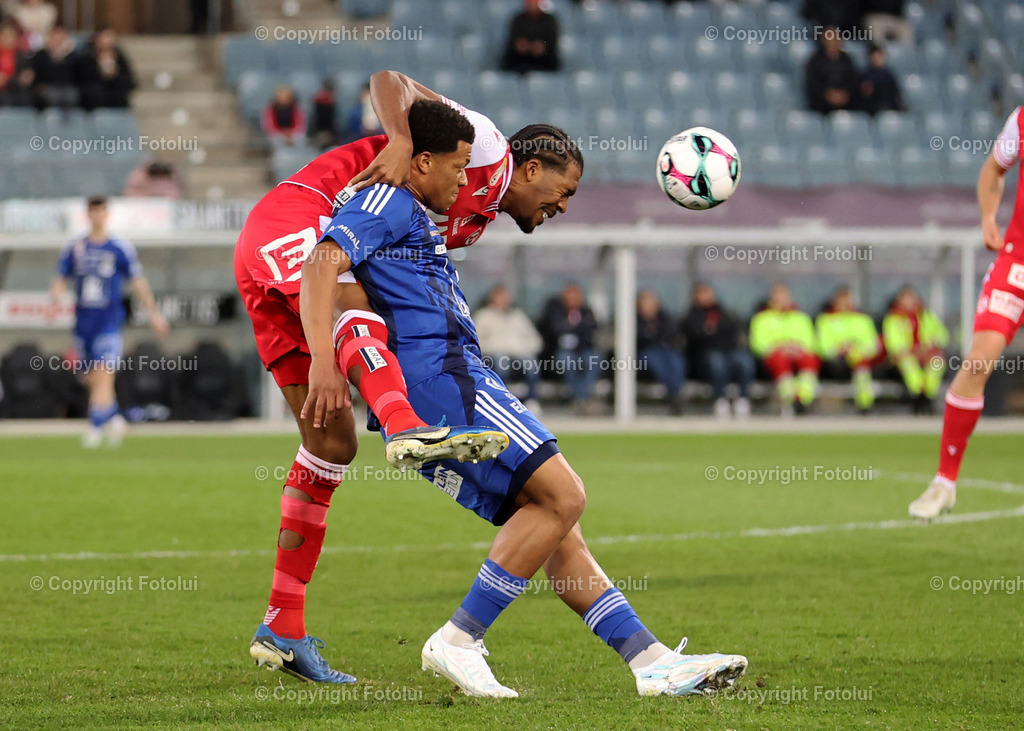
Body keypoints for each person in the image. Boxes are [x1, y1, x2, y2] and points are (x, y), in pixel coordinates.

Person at [302, 99, 747, 698]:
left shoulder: (421, 213)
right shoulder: (388, 199)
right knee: (566, 496)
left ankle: (651, 663)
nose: (465, 178)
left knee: (553, 525)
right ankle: (459, 639)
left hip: (448, 377)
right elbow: (322, 262)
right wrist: (325, 363)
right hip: (442, 378)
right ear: (422, 159)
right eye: (457, 166)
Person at [237, 68, 585, 683]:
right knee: (354, 306)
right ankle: (403, 426)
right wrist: (399, 138)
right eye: (565, 190)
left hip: (291, 260)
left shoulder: (470, 219)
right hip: (300, 218)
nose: (563, 205)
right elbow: (389, 79)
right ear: (532, 168)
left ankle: (281, 627)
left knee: (331, 442)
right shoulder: (485, 145)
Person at [909, 108, 1024, 519]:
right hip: (1017, 263)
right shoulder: (1022, 120)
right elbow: (994, 169)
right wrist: (988, 216)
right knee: (976, 363)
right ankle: (944, 482)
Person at [49, 196, 169, 448]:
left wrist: (154, 314)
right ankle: (114, 418)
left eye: (101, 211)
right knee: (91, 378)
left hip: (109, 322)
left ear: (107, 215)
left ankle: (95, 426)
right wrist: (55, 299)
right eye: (93, 212)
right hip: (84, 324)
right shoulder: (76, 247)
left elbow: (138, 281)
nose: (98, 216)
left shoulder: (118, 247)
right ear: (88, 215)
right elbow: (61, 277)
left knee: (104, 374)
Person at [681, 282, 754, 419]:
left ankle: (743, 399)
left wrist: (710, 332)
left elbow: (731, 332)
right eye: (702, 293)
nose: (706, 296)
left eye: (708, 292)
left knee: (744, 360)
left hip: (728, 353)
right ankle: (720, 399)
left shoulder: (723, 313)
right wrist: (710, 333)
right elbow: (698, 337)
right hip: (703, 357)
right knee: (716, 362)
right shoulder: (691, 316)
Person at [750, 284, 820, 415]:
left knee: (810, 361)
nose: (781, 299)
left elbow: (810, 343)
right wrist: (780, 347)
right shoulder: (761, 319)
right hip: (775, 356)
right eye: (777, 296)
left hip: (798, 353)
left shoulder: (801, 318)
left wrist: (795, 348)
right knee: (779, 361)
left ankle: (804, 399)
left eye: (784, 296)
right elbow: (758, 345)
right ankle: (791, 399)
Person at [475, 284, 544, 412]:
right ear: (492, 298)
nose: (504, 300)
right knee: (502, 363)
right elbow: (477, 342)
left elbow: (536, 340)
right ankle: (504, 400)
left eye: (506, 297)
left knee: (531, 363)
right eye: (500, 297)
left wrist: (523, 348)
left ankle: (532, 400)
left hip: (519, 354)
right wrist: (495, 348)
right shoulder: (483, 316)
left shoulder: (518, 316)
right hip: (494, 355)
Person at [882, 285, 947, 415]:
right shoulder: (893, 319)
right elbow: (894, 346)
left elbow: (942, 336)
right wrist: (913, 351)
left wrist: (930, 345)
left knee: (937, 364)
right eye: (906, 298)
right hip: (905, 357)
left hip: (926, 355)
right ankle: (918, 397)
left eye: (912, 297)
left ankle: (928, 396)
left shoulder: (927, 316)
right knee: (909, 366)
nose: (910, 301)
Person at [816, 286, 880, 412]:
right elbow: (822, 347)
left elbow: (873, 346)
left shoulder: (863, 320)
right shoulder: (825, 320)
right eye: (841, 300)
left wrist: (854, 348)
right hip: (835, 364)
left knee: (860, 363)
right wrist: (839, 349)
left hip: (859, 360)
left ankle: (865, 404)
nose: (845, 303)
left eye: (848, 299)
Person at [539, 283, 601, 414]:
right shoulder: (555, 311)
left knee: (594, 359)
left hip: (584, 349)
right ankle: (579, 398)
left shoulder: (586, 312)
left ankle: (581, 398)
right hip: (560, 351)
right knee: (566, 360)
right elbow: (555, 331)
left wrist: (574, 331)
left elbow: (591, 331)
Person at [636, 290, 685, 415]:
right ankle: (672, 394)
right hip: (644, 353)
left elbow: (672, 335)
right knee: (654, 360)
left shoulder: (664, 319)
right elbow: (641, 339)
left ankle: (675, 392)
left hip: (665, 351)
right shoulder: (634, 321)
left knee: (675, 361)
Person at [804, 26, 860, 115]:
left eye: (835, 39)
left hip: (846, 103)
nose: (833, 42)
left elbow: (853, 80)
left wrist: (844, 94)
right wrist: (828, 94)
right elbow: (813, 83)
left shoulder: (846, 60)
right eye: (830, 39)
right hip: (822, 105)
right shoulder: (815, 61)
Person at [78, 28, 135, 110]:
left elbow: (129, 82)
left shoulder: (120, 60)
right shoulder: (87, 58)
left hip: (116, 102)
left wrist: (114, 75)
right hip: (93, 102)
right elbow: (83, 80)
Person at [501, 0, 560, 74]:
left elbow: (551, 40)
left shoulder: (549, 20)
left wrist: (542, 46)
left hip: (543, 60)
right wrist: (522, 45)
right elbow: (514, 39)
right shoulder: (518, 19)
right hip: (520, 59)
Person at [30, 25, 80, 110]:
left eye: (60, 39)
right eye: (54, 38)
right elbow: (37, 73)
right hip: (48, 87)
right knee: (52, 95)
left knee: (71, 95)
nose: (57, 41)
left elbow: (77, 74)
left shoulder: (73, 56)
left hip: (68, 87)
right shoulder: (41, 55)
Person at [859, 43, 903, 115]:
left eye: (879, 56)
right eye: (875, 56)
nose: (877, 59)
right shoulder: (866, 76)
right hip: (874, 110)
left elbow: (895, 96)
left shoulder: (889, 75)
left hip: (889, 109)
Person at [0, 21, 33, 106]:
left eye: (11, 36)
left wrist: (27, 76)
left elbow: (25, 74)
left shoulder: (20, 55)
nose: (8, 39)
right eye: (5, 36)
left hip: (16, 88)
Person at [308, 78, 339, 150]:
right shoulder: (318, 103)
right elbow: (314, 120)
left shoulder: (332, 103)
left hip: (329, 133)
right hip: (318, 132)